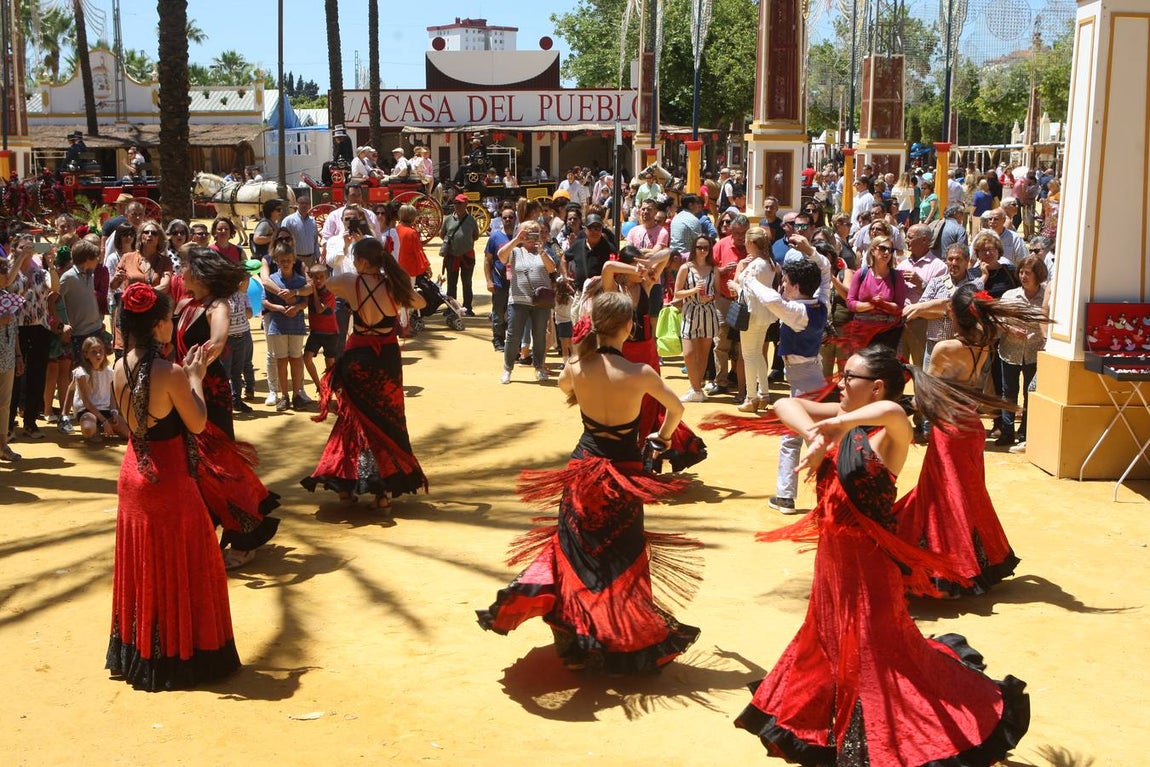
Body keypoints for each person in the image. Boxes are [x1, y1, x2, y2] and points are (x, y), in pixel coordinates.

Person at [731, 344, 1030, 764]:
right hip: (832, 562)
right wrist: (815, 434)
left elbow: (892, 411)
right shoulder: (841, 416)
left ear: (875, 387)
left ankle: (885, 731)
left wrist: (834, 425)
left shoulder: (891, 431)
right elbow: (785, 403)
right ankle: (838, 717)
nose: (839, 382)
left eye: (848, 376)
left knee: (878, 650)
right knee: (831, 640)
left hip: (869, 566)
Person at [477, 291, 701, 673]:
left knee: (575, 552)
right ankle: (619, 637)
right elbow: (676, 408)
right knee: (623, 555)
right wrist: (663, 438)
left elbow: (565, 388)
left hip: (583, 467)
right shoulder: (640, 373)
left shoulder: (575, 367)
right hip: (623, 471)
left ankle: (574, 643)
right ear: (629, 326)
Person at [107, 283, 240, 691]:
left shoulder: (118, 367)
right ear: (158, 325)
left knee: (146, 562)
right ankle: (180, 652)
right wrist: (195, 377)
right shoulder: (171, 372)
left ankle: (143, 647)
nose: (172, 324)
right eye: (168, 319)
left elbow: (131, 421)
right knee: (188, 560)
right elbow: (197, 422)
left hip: (134, 471)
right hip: (168, 477)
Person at [896, 285, 1044, 596]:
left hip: (949, 429)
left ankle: (953, 569)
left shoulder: (945, 348)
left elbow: (927, 397)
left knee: (944, 495)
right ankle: (974, 563)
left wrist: (901, 403)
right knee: (967, 494)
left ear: (954, 315)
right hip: (972, 427)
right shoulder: (985, 343)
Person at [302, 237, 428, 516]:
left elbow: (327, 283)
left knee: (353, 420)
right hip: (386, 362)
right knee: (387, 421)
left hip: (359, 358)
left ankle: (346, 487)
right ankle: (383, 492)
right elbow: (420, 301)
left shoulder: (350, 282)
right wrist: (397, 282)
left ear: (360, 261)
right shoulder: (394, 285)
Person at [498, 220, 559, 384]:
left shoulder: (544, 251)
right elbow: (501, 256)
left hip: (541, 302)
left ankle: (539, 367)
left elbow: (552, 268)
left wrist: (541, 251)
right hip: (518, 299)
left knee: (539, 335)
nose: (531, 236)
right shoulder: (515, 251)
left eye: (534, 232)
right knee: (513, 336)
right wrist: (517, 240)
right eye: (528, 232)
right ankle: (507, 369)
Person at [733, 226, 779, 413]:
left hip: (752, 314)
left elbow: (748, 292)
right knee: (757, 353)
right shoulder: (768, 263)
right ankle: (763, 393)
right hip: (763, 314)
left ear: (751, 242)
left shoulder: (757, 264)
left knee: (749, 355)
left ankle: (751, 397)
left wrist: (735, 286)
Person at [262, 245, 309, 412]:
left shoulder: (300, 281)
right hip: (278, 325)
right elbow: (264, 301)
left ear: (294, 260)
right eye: (282, 261)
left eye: (289, 260)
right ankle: (284, 396)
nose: (286, 263)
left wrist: (297, 308)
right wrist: (280, 308)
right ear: (276, 261)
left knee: (296, 359)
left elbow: (305, 302)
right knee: (281, 361)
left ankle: (296, 395)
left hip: (296, 325)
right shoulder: (272, 280)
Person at [674, 234, 720, 402]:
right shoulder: (685, 268)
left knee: (703, 354)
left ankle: (696, 390)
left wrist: (710, 297)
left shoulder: (714, 269)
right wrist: (693, 291)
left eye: (706, 247)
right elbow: (677, 293)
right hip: (690, 311)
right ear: (694, 248)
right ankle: (695, 389)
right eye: (699, 247)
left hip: (708, 312)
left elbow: (718, 293)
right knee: (688, 353)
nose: (702, 251)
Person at [72, 335, 127, 443]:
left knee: (128, 434)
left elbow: (111, 396)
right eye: (94, 352)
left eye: (100, 351)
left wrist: (114, 412)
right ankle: (96, 427)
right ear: (86, 354)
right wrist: (104, 421)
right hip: (87, 411)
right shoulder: (81, 373)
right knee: (88, 429)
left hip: (105, 410)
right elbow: (86, 403)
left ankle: (101, 426)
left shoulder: (109, 372)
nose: (98, 355)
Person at [438, 194, 480, 317]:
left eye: (460, 203)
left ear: (466, 204)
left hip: (467, 256)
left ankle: (468, 307)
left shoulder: (471, 220)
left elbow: (475, 236)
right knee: (451, 283)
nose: (457, 205)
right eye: (455, 203)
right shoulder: (448, 219)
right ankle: (451, 308)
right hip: (452, 255)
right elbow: (442, 234)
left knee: (467, 283)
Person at [302, 263, 339, 400]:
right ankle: (319, 386)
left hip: (330, 333)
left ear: (327, 278)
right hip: (316, 332)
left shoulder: (329, 292)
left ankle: (330, 390)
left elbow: (319, 309)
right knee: (306, 358)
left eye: (321, 277)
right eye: (315, 277)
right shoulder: (309, 291)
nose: (318, 280)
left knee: (330, 364)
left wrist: (314, 292)